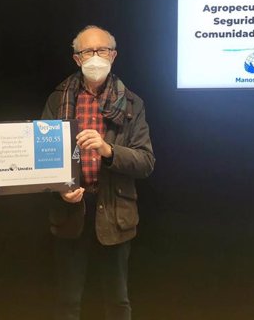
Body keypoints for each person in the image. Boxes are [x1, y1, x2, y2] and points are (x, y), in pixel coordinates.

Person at [41, 25, 155, 320]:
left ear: (113, 55)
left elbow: (145, 162)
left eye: (101, 50)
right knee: (67, 300)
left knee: (117, 301)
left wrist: (108, 150)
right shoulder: (58, 98)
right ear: (76, 59)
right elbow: (43, 158)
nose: (95, 57)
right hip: (70, 209)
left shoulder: (131, 103)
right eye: (87, 51)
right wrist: (60, 187)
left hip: (114, 210)